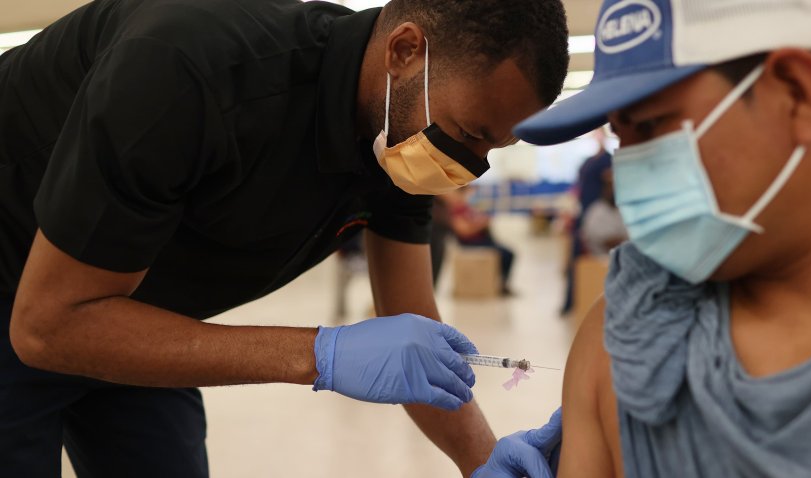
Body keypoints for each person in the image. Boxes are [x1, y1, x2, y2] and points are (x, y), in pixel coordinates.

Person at [0, 0, 569, 475]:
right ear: (404, 52)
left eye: (492, 148)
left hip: (137, 308)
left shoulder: (401, 136)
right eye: (471, 134)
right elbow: (46, 327)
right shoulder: (191, 70)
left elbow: (412, 318)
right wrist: (320, 353)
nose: (469, 167)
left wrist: (485, 463)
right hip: (23, 289)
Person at [476, 0, 811, 477]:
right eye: (619, 136)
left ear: (796, 94)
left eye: (651, 125)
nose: (628, 172)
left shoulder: (615, 347)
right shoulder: (626, 324)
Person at [562, 128, 611, 314]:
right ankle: (570, 301)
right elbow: (579, 188)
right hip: (583, 214)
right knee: (575, 259)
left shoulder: (607, 160)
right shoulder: (588, 162)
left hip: (598, 215)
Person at [445, 187, 516, 296]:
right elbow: (463, 231)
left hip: (480, 239)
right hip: (470, 243)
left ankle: (500, 282)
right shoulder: (456, 209)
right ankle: (501, 283)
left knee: (507, 252)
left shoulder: (466, 207)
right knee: (506, 254)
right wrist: (481, 224)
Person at [580, 169, 627, 256]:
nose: (614, 190)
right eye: (610, 186)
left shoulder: (626, 210)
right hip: (600, 262)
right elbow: (611, 243)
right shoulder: (596, 212)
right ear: (604, 189)